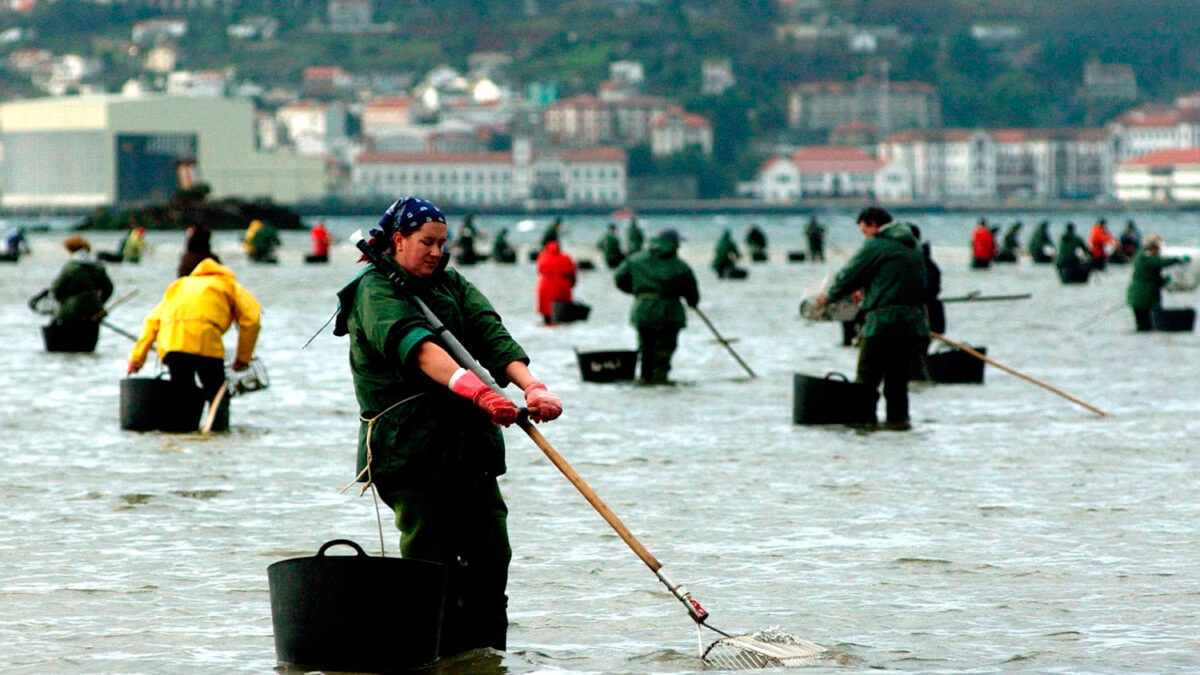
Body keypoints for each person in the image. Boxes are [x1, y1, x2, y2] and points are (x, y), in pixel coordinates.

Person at [331, 195, 563, 656]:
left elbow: (491, 336)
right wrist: (476, 390)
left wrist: (532, 387)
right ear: (398, 241)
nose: (437, 252)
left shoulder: (451, 284)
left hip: (470, 450)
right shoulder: (373, 290)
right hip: (410, 451)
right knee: (432, 562)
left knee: (492, 556)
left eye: (442, 242)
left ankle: (486, 660)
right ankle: (430, 658)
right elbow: (417, 347)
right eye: (426, 242)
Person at [816, 207, 927, 430]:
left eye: (864, 231)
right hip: (912, 325)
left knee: (866, 381)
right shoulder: (913, 245)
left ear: (873, 225)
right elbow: (894, 279)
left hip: (882, 326)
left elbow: (850, 274)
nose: (865, 236)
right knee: (897, 384)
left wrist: (827, 297)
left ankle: (864, 426)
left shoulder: (877, 244)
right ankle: (898, 426)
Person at [127, 254, 261, 426]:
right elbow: (252, 319)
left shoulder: (180, 285)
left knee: (183, 393)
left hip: (172, 344)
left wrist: (136, 360)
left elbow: (151, 322)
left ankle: (183, 433)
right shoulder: (229, 284)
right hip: (206, 342)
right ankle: (218, 435)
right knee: (217, 394)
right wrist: (243, 358)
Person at [614, 228, 700, 384]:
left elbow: (619, 278)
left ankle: (645, 383)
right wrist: (692, 302)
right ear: (674, 244)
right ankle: (660, 385)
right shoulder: (680, 266)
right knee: (663, 352)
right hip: (669, 313)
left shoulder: (635, 260)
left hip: (642, 310)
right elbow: (691, 291)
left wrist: (638, 291)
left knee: (645, 350)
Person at [48, 235, 114, 331]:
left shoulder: (70, 267)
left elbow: (56, 288)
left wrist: (61, 301)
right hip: (95, 312)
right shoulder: (98, 266)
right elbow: (109, 288)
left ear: (71, 250)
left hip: (70, 313)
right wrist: (98, 303)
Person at [1126, 235, 1189, 331]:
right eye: (1157, 248)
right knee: (1145, 325)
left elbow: (1152, 276)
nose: (1159, 251)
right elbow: (1159, 262)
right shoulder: (1145, 257)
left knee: (1144, 326)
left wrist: (1164, 281)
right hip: (1143, 297)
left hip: (1140, 297)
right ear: (1152, 247)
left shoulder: (1141, 255)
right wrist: (1177, 260)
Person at [535, 239, 577, 324]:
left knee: (546, 311)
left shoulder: (542, 256)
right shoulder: (566, 257)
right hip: (562, 285)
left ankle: (548, 328)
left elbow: (539, 270)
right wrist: (571, 284)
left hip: (546, 285)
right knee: (562, 314)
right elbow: (572, 274)